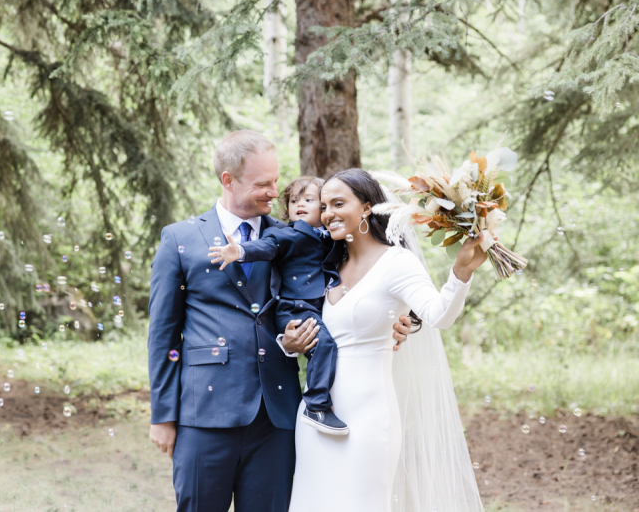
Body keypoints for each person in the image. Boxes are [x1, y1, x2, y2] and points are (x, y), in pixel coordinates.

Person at [147, 131, 414, 512]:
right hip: (203, 415)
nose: (275, 192)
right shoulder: (180, 238)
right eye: (263, 184)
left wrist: (400, 319)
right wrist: (162, 416)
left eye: (276, 181)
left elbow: (360, 286)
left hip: (278, 417)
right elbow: (162, 336)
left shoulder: (297, 236)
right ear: (228, 180)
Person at [288, 168, 487, 512]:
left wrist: (461, 274)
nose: (328, 213)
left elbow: (439, 314)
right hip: (314, 416)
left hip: (368, 417)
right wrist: (290, 339)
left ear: (367, 207)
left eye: (339, 203)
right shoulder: (326, 264)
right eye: (324, 206)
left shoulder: (396, 262)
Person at [208, 176, 347, 435]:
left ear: (324, 207)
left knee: (331, 344)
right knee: (324, 344)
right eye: (294, 200)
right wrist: (240, 251)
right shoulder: (287, 234)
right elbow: (268, 246)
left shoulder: (333, 237)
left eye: (309, 199)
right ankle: (316, 405)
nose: (300, 205)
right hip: (296, 308)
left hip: (320, 306)